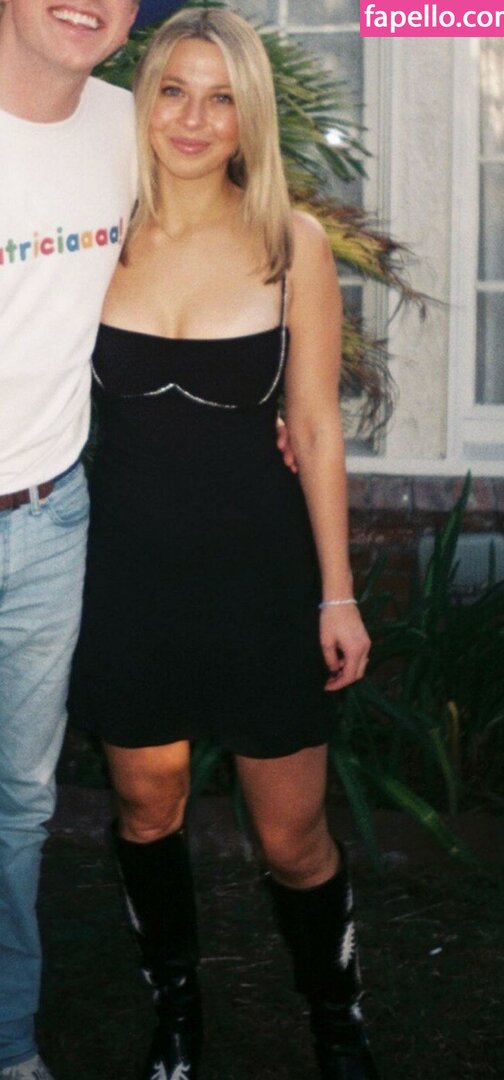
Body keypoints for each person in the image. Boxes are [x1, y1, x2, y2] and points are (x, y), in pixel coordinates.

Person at [70, 8, 381, 1080]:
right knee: (146, 810)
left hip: (261, 577)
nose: (194, 119)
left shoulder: (291, 242)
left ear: (250, 115)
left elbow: (319, 427)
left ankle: (337, 1020)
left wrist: (337, 593)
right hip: (126, 579)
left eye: (221, 98)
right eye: (173, 90)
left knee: (292, 836)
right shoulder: (98, 230)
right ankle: (177, 1016)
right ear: (142, 100)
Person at [0, 3, 142, 1078]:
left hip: (50, 518)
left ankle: (9, 1045)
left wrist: (279, 397)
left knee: (20, 806)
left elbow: (227, 250)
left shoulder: (138, 128)